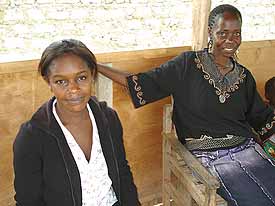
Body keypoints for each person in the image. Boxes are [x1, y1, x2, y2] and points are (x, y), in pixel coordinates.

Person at [97, 4, 275, 206]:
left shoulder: (244, 76)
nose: (230, 40)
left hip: (247, 149)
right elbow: (142, 82)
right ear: (210, 32)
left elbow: (263, 117)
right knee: (254, 201)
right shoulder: (187, 65)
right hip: (209, 158)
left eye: (236, 34)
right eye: (223, 32)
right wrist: (95, 65)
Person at [13, 39, 140, 206]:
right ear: (48, 82)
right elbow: (28, 200)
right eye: (61, 81)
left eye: (81, 78)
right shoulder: (33, 136)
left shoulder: (108, 119)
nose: (73, 89)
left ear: (92, 75)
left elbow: (122, 172)